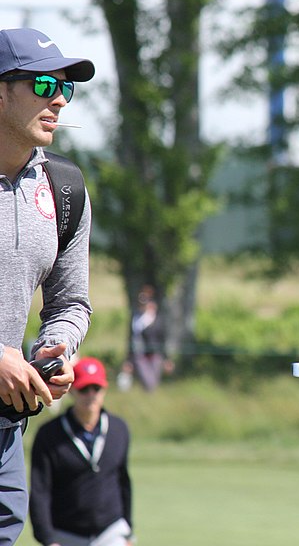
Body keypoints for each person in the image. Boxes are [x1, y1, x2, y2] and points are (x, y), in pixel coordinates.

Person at [0, 27, 94, 544]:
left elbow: (72, 301)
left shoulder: (65, 187)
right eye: (41, 83)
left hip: (6, 434)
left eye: (64, 86)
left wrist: (55, 348)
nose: (58, 97)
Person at [29, 357, 134, 546]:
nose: (91, 395)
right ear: (72, 391)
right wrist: (47, 538)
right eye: (84, 389)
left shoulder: (119, 429)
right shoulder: (49, 434)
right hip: (65, 534)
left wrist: (128, 531)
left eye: (96, 388)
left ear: (104, 390)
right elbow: (40, 490)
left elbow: (123, 482)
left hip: (111, 530)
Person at [120, 285, 171, 392]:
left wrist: (166, 358)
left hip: (154, 355)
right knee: (148, 382)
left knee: (153, 383)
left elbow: (162, 339)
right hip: (139, 355)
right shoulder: (135, 318)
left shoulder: (156, 319)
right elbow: (131, 339)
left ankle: (151, 402)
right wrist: (128, 360)